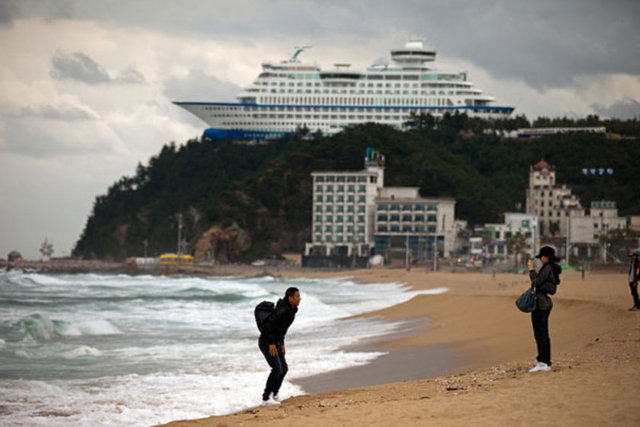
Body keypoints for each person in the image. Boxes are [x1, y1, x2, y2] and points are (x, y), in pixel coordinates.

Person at [258, 287, 301, 405]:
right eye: (297, 296)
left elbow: (282, 328)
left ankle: (274, 393)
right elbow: (269, 326)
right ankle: (266, 398)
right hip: (266, 341)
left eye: (299, 296)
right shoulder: (282, 309)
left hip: (276, 341)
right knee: (277, 368)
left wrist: (281, 343)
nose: (299, 299)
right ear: (290, 298)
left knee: (284, 368)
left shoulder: (292, 309)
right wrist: (271, 343)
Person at [526, 246, 561, 372]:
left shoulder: (547, 268)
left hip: (541, 304)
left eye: (541, 257)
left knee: (540, 334)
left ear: (545, 257)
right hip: (543, 304)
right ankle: (544, 361)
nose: (540, 260)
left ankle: (543, 362)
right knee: (543, 334)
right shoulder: (550, 267)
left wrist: (531, 269)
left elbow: (537, 281)